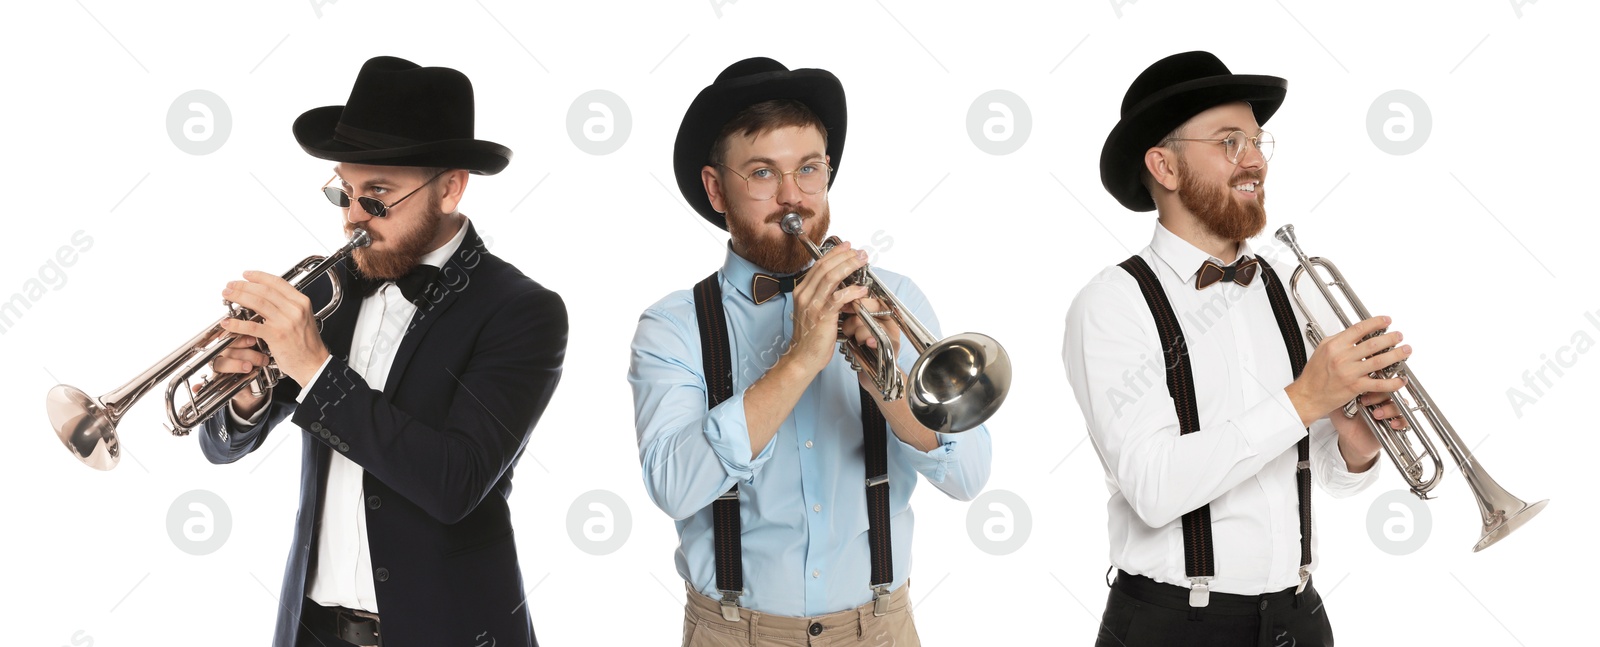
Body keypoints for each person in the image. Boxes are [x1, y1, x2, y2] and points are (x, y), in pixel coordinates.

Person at [198, 56, 566, 647]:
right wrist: (242, 396)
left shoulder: (522, 311)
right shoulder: (327, 288)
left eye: (378, 195)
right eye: (344, 192)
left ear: (450, 187)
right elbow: (221, 448)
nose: (352, 219)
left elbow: (455, 483)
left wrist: (315, 369)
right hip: (311, 628)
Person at [629, 57, 992, 646]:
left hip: (878, 628)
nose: (793, 198)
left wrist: (883, 378)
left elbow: (969, 476)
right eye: (763, 174)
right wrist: (799, 360)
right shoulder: (672, 326)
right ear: (716, 189)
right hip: (733, 632)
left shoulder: (896, 298)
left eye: (809, 169)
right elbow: (674, 486)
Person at [1064, 50, 1410, 647]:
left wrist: (1356, 443)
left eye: (1256, 141)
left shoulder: (1287, 285)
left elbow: (1327, 472)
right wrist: (1304, 399)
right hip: (1174, 626)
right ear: (1164, 166)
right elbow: (1152, 487)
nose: (1254, 161)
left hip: (1299, 620)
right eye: (1229, 142)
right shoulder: (1111, 304)